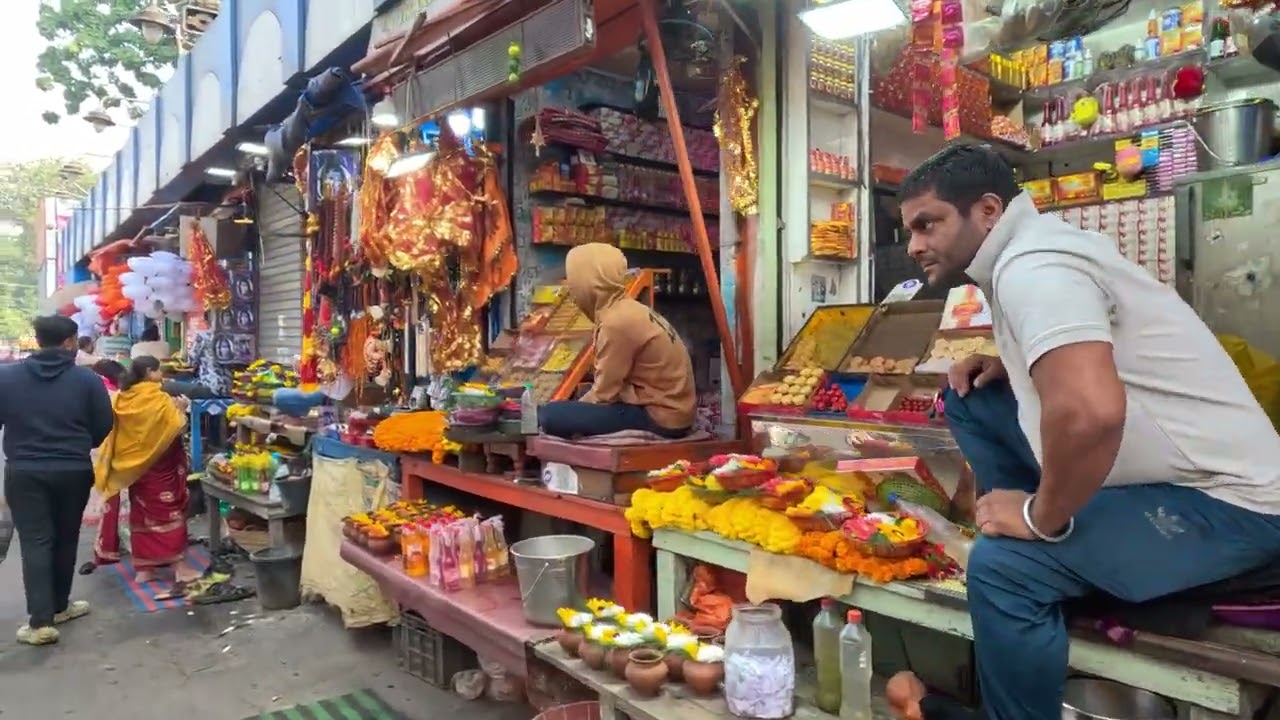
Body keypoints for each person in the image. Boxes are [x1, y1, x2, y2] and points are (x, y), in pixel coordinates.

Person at [891, 144, 1280, 720]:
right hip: (1165, 477)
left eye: (928, 224)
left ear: (989, 210)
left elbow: (1092, 413)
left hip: (1233, 503)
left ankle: (1035, 553)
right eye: (910, 230)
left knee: (1000, 568)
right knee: (973, 398)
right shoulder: (1030, 253)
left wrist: (1039, 518)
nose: (914, 245)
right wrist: (1014, 367)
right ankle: (1053, 541)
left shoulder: (1034, 267)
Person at [0, 315, 114, 646]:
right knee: (66, 537)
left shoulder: (7, 377)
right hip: (73, 468)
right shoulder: (87, 380)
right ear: (68, 342)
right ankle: (58, 607)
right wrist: (80, 444)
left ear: (38, 341)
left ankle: (41, 622)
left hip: (25, 470)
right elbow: (103, 424)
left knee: (36, 540)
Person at [539, 243, 696, 439]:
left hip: (660, 418)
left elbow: (604, 394)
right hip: (672, 412)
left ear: (589, 283)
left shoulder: (616, 322)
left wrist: (572, 411)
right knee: (571, 403)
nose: (571, 289)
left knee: (550, 415)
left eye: (573, 280)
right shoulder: (628, 310)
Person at [93, 356, 196, 587]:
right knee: (169, 512)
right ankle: (179, 567)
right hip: (161, 466)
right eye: (159, 371)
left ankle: (145, 569)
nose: (162, 375)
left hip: (135, 468)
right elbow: (175, 429)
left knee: (142, 514)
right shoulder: (158, 398)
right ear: (150, 372)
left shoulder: (123, 398)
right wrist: (181, 410)